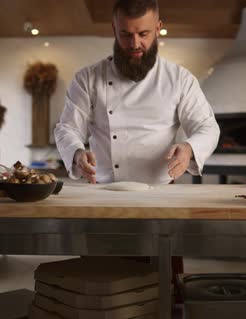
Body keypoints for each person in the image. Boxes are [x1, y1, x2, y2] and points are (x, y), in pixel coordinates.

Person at [54, 0, 220, 184]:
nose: (134, 44)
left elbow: (208, 127)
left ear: (158, 28)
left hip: (160, 193)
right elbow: (67, 128)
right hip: (104, 190)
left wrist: (189, 149)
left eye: (143, 34)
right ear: (114, 29)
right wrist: (77, 153)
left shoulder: (180, 79)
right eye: (125, 34)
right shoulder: (87, 78)